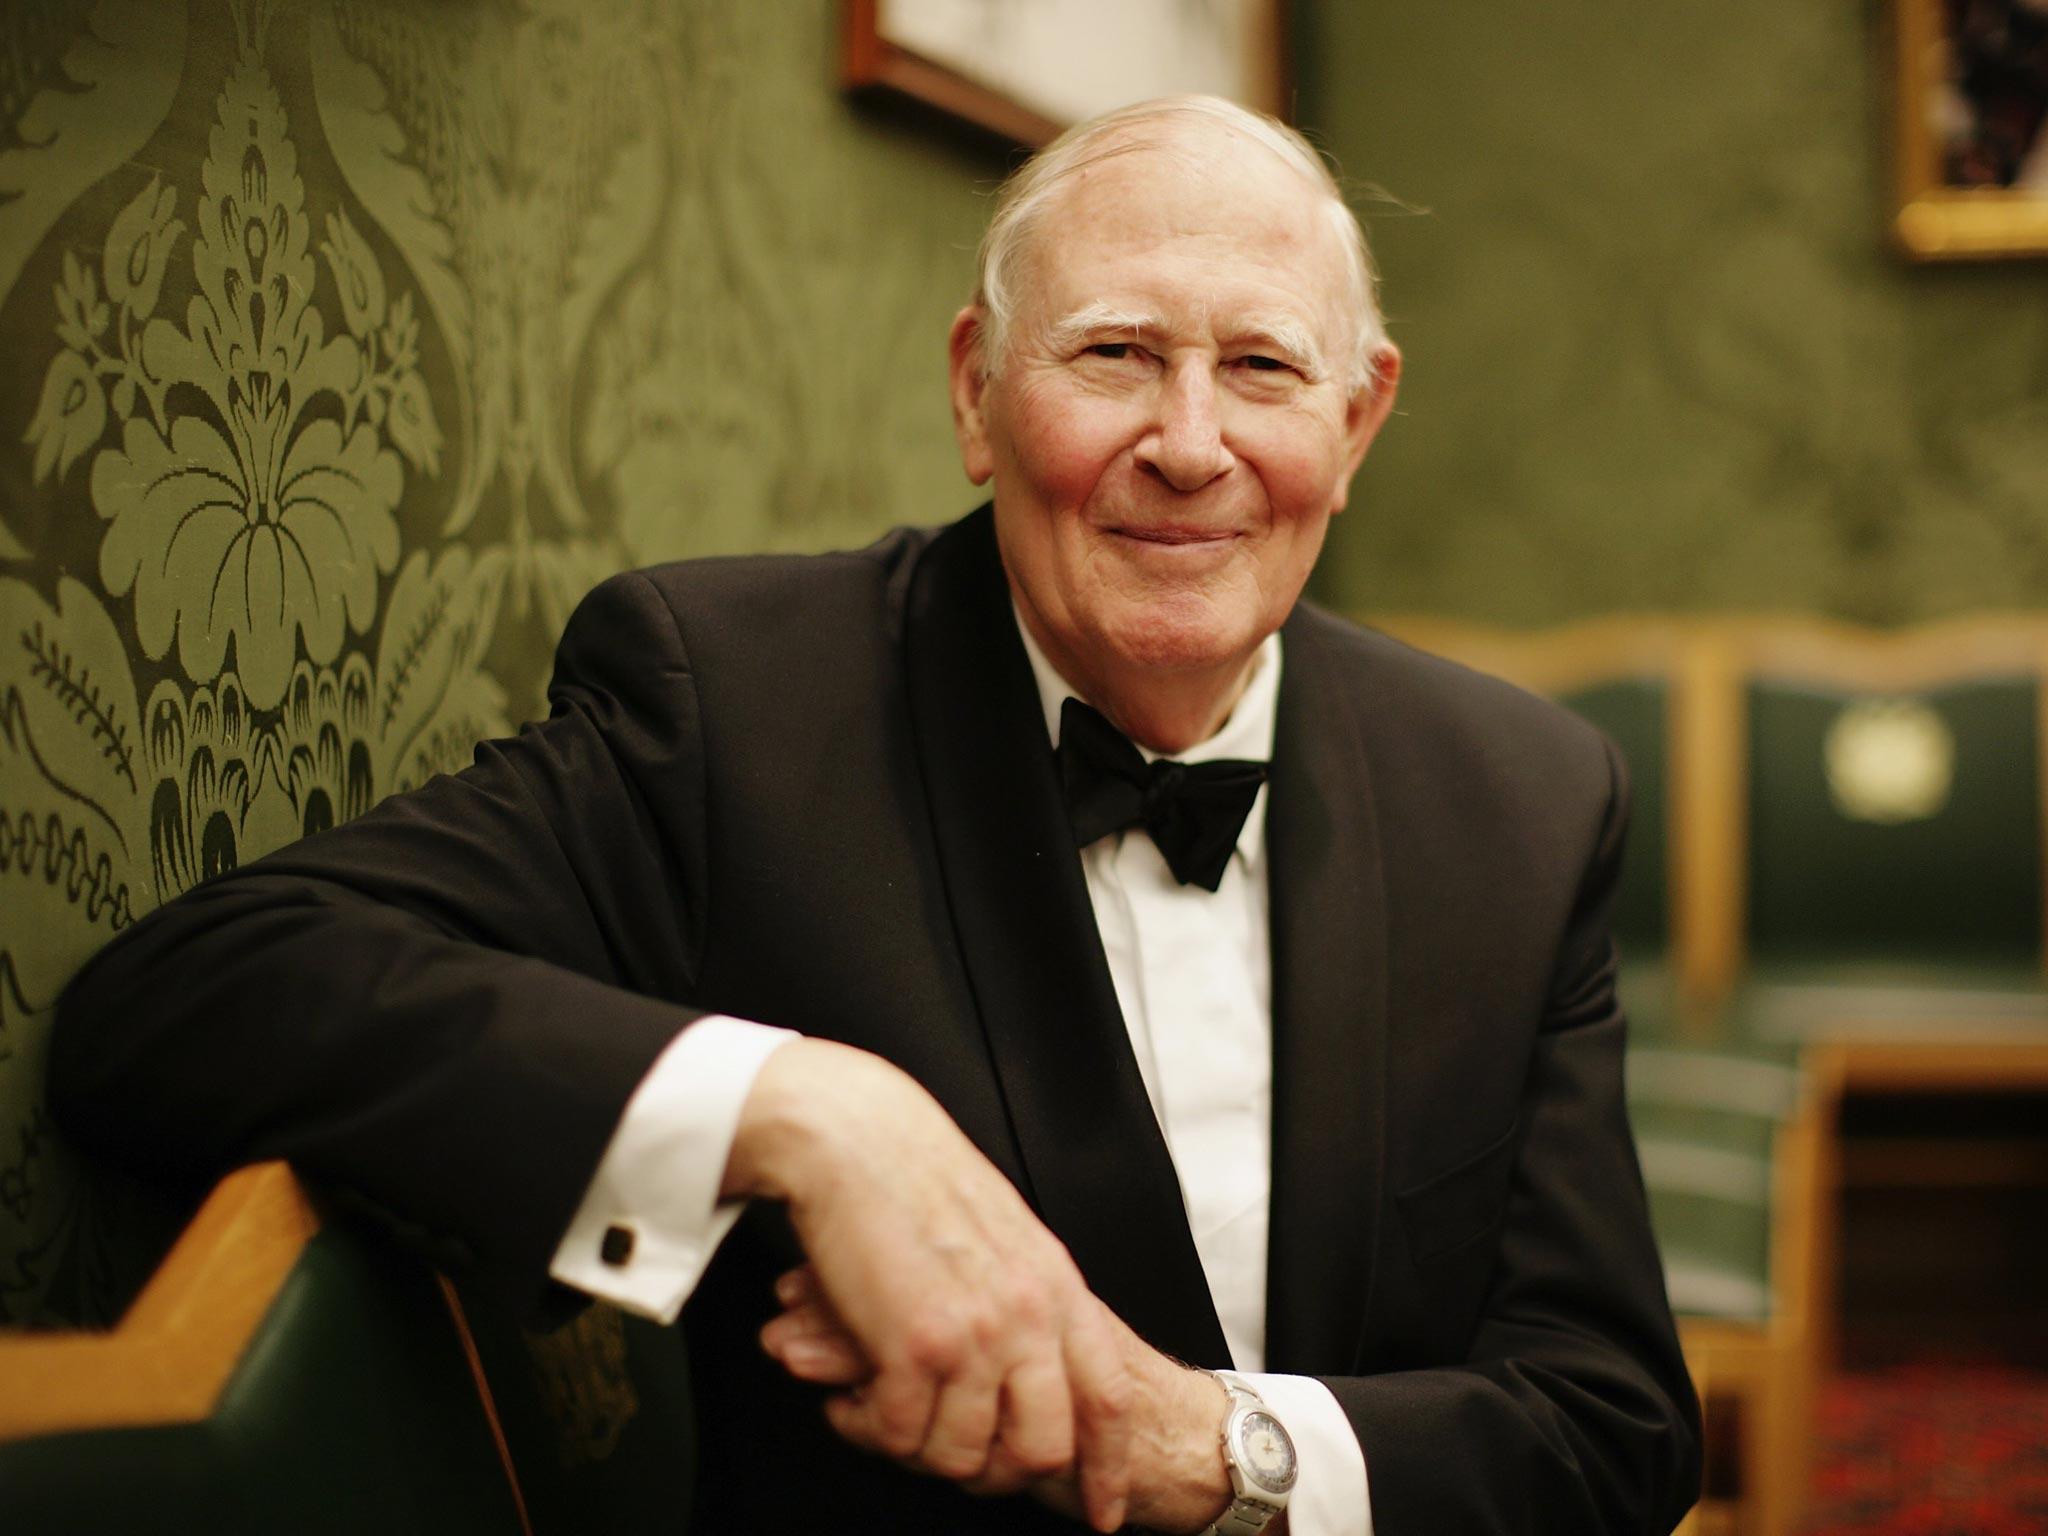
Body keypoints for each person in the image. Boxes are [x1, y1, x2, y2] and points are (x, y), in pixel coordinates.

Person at [52, 96, 1701, 1534]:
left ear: (1355, 426)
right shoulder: (736, 709)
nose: (1189, 444)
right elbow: (189, 996)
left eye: (1262, 367)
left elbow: (1610, 1433)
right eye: (1116, 352)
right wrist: (806, 1108)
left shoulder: (1525, 798)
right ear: (979, 394)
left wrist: (1205, 1447)